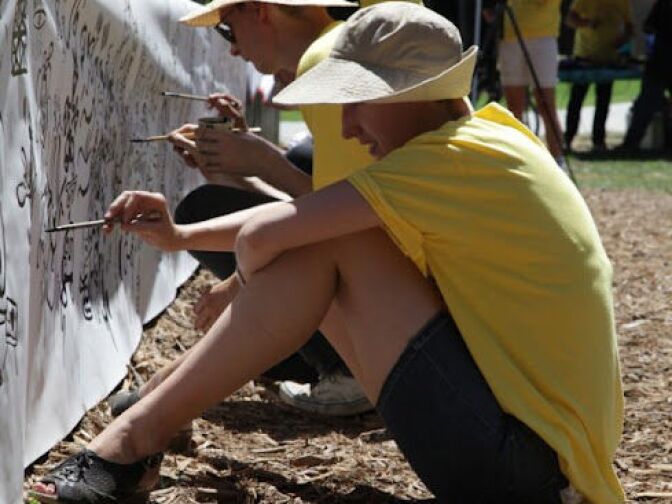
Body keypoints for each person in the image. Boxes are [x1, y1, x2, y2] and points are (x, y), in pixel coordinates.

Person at [31, 3, 624, 502]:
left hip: (526, 473)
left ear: (407, 96)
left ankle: (134, 441)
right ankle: (144, 432)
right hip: (538, 464)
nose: (342, 127)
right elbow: (281, 227)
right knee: (331, 240)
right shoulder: (487, 137)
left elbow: (268, 236)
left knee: (332, 243)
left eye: (355, 100)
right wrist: (184, 239)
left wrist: (248, 274)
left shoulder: (444, 160)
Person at [114, 0, 421, 418]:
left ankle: (347, 370)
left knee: (206, 208)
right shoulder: (333, 50)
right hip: (406, 298)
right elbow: (337, 201)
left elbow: (346, 223)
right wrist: (239, 165)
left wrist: (243, 281)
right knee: (238, 194)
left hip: (397, 315)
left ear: (260, 11)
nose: (233, 51)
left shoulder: (324, 62)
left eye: (228, 28)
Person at [486, 0, 566, 167]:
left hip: (543, 37)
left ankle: (558, 161)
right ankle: (518, 160)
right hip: (510, 36)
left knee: (546, 105)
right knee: (514, 108)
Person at [563, 0, 633, 152]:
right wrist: (587, 23)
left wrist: (623, 41)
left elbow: (629, 27)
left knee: (603, 102)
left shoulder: (623, 2)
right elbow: (569, 19)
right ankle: (568, 139)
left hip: (609, 59)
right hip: (584, 57)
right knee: (576, 100)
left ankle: (599, 142)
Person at [618, 0, 672, 152]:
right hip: (659, 62)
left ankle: (631, 144)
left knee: (645, 105)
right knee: (646, 105)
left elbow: (648, 27)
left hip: (659, 61)